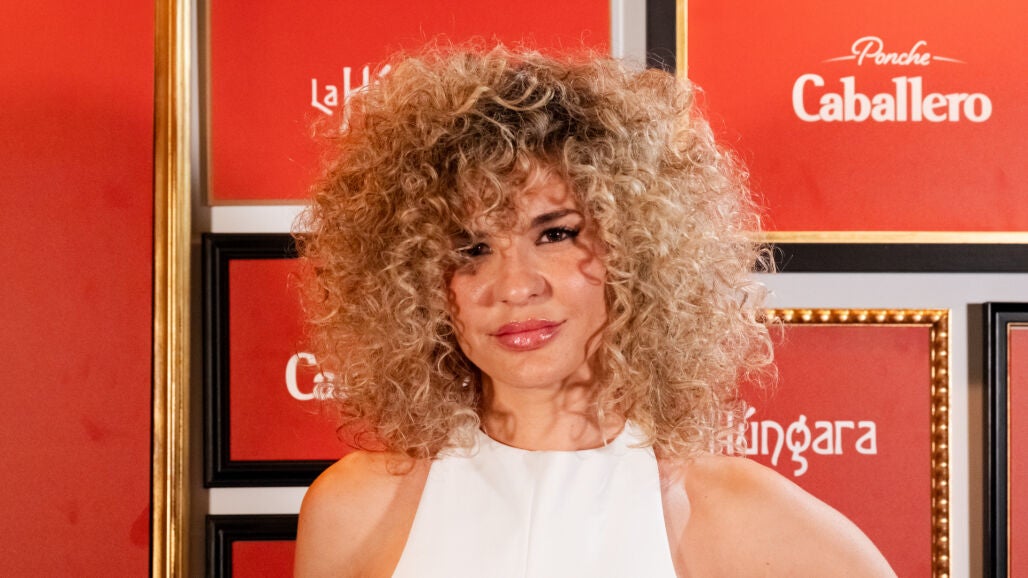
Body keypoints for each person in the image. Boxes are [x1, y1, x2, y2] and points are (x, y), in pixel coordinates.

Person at [293, 44, 895, 577]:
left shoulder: (746, 518)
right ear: (415, 281)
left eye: (555, 235)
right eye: (471, 249)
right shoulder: (351, 510)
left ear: (636, 249)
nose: (514, 286)